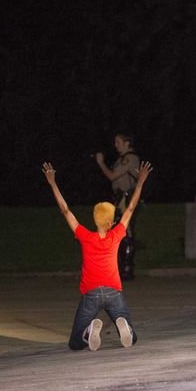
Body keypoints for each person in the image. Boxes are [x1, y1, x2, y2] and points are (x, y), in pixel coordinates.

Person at [42, 159, 153, 351]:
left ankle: (87, 332)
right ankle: (123, 325)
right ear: (110, 223)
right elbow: (131, 208)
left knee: (75, 344)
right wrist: (141, 181)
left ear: (95, 220)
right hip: (113, 292)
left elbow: (65, 210)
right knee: (132, 339)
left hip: (91, 293)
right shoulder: (116, 234)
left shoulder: (85, 236)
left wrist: (52, 183)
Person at [95, 133, 140, 280]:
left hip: (127, 198)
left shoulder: (130, 158)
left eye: (118, 142)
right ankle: (120, 267)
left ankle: (127, 268)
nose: (116, 145)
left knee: (126, 232)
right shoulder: (120, 160)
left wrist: (101, 163)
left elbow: (113, 176)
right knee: (117, 233)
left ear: (127, 143)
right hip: (119, 199)